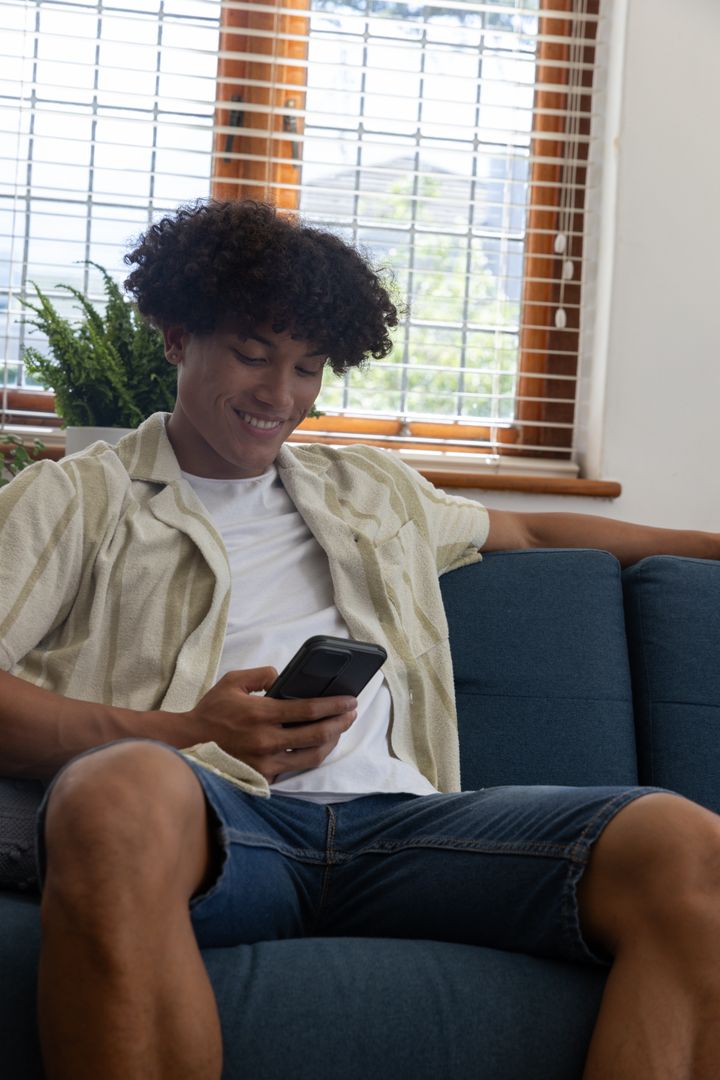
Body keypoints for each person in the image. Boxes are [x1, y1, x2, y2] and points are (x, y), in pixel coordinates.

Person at [1, 199, 719, 1080]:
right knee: (117, 792)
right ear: (178, 337)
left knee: (685, 843)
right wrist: (187, 734)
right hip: (214, 822)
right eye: (253, 355)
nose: (280, 395)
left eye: (308, 367)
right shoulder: (75, 498)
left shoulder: (367, 487)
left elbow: (529, 533)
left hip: (402, 833)